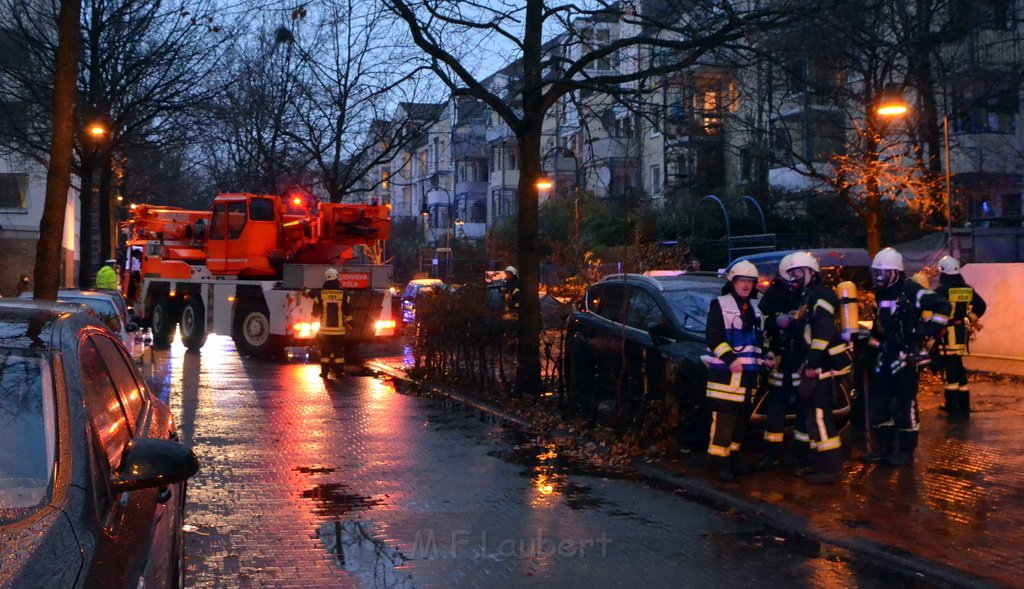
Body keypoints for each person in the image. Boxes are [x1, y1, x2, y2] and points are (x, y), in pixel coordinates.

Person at [859, 247, 951, 467]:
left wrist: (925, 331)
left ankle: (906, 452)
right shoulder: (880, 293)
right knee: (878, 404)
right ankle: (885, 447)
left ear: (896, 273)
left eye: (883, 273)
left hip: (907, 357)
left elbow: (943, 305)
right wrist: (868, 352)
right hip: (885, 356)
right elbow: (879, 328)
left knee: (905, 405)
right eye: (876, 273)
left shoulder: (911, 290)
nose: (879, 277)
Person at [787, 251, 853, 483]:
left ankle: (832, 468)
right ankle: (817, 463)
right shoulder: (809, 298)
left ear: (810, 272)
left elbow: (822, 333)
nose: (793, 277)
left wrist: (812, 363)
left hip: (822, 368)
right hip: (812, 367)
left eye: (797, 272)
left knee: (820, 417)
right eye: (792, 273)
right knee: (811, 417)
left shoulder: (822, 296)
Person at [704, 260, 764, 482]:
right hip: (725, 377)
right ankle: (718, 464)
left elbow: (758, 339)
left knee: (740, 424)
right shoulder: (719, 304)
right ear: (733, 282)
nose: (746, 285)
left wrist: (765, 355)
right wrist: (730, 359)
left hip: (748, 377)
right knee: (723, 423)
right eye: (742, 281)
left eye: (750, 281)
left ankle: (733, 459)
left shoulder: (756, 308)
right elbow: (713, 336)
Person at [757, 254, 807, 470]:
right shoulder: (774, 293)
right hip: (779, 359)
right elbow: (760, 319)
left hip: (802, 360)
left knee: (805, 410)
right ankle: (771, 454)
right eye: (791, 278)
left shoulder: (810, 293)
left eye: (797, 277)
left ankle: (802, 457)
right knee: (775, 409)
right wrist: (776, 320)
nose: (794, 282)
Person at [933, 255, 987, 415]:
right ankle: (964, 403)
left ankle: (952, 404)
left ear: (942, 271)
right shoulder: (967, 288)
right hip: (961, 333)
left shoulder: (941, 290)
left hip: (947, 334)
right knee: (958, 366)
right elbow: (981, 306)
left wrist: (933, 328)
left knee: (950, 368)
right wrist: (968, 318)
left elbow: (935, 311)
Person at [312, 268, 353, 379]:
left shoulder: (320, 295)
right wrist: (351, 324)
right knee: (338, 352)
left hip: (324, 330)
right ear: (337, 278)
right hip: (338, 330)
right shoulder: (343, 295)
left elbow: (315, 313)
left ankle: (324, 373)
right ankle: (339, 373)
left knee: (325, 352)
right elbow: (347, 312)